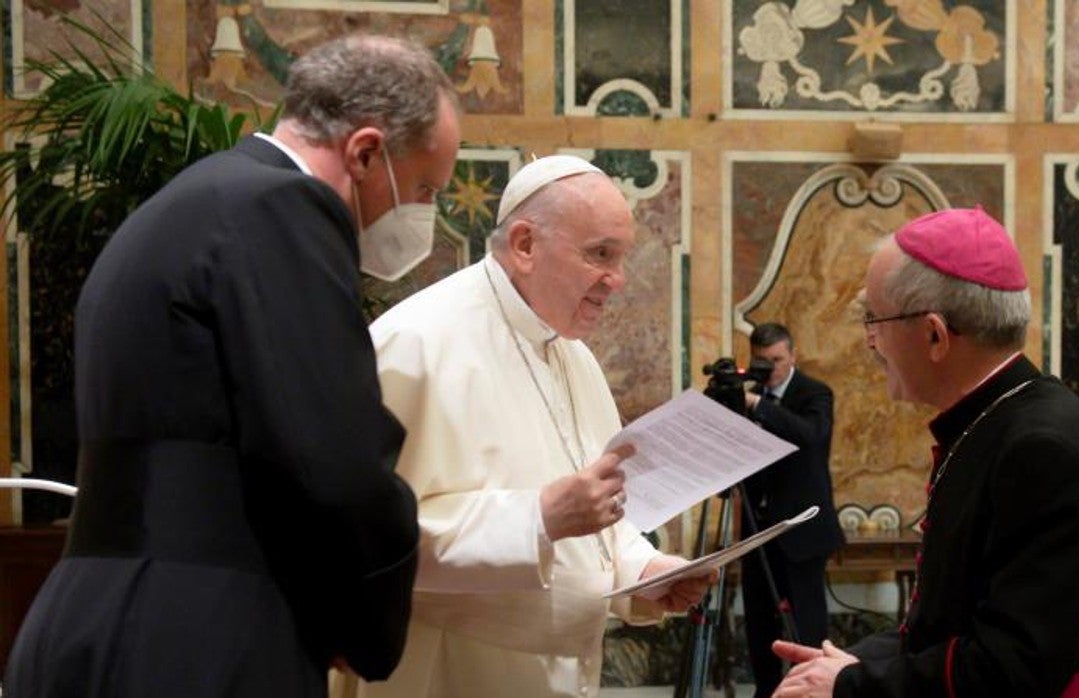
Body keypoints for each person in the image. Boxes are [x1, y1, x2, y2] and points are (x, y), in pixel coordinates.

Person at [4, 35, 460, 696]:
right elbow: (330, 460)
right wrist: (361, 622)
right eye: (423, 187)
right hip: (199, 637)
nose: (424, 213)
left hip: (94, 612)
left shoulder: (194, 201)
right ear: (365, 152)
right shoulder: (281, 208)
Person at [363, 155, 715, 698]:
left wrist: (644, 569)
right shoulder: (414, 345)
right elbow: (366, 539)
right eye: (600, 255)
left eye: (622, 258)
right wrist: (538, 518)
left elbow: (594, 521)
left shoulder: (573, 355)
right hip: (448, 671)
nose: (617, 281)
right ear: (525, 245)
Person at [771, 207, 1079, 697]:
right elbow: (950, 620)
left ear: (935, 335)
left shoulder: (1044, 451)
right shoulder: (1001, 420)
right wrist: (859, 661)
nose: (869, 341)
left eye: (874, 319)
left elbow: (1013, 666)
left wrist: (855, 684)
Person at [738, 322, 845, 697]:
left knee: (808, 622)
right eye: (761, 361)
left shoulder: (815, 393)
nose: (770, 369)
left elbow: (809, 436)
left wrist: (759, 406)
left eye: (777, 361)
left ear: (792, 356)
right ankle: (766, 690)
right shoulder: (747, 398)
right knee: (759, 623)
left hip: (803, 530)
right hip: (757, 530)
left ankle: (812, 691)